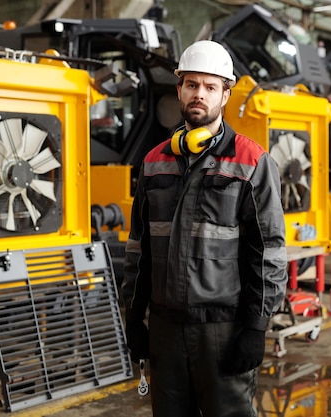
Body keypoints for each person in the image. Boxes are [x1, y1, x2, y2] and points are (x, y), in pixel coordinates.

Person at [122, 39, 288, 417]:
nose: (200, 94)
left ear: (225, 94)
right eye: (192, 84)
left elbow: (269, 252)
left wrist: (256, 327)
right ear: (179, 88)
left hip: (222, 330)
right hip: (165, 330)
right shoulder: (154, 162)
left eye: (211, 87)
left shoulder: (251, 161)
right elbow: (139, 248)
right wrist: (133, 316)